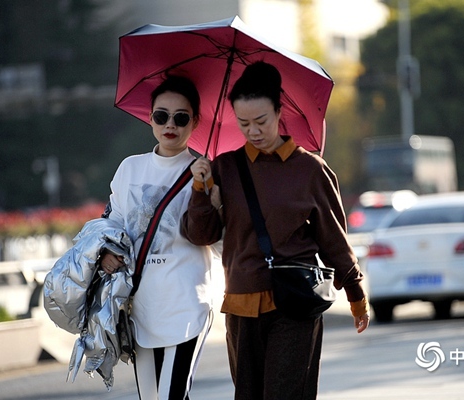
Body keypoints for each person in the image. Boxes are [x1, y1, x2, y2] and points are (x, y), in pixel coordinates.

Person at [181, 61, 370, 400]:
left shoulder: (310, 170)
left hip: (295, 303)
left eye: (261, 121)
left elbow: (333, 237)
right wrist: (200, 189)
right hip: (240, 304)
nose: (253, 131)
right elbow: (201, 235)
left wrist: (356, 294)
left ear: (279, 112)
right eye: (243, 123)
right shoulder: (224, 167)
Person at [99, 75, 214, 399]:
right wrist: (107, 254)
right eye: (161, 115)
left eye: (181, 118)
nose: (170, 125)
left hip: (186, 305)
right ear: (149, 117)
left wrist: (204, 192)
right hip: (141, 305)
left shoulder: (204, 172)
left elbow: (215, 241)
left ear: (195, 121)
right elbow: (114, 224)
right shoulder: (130, 169)